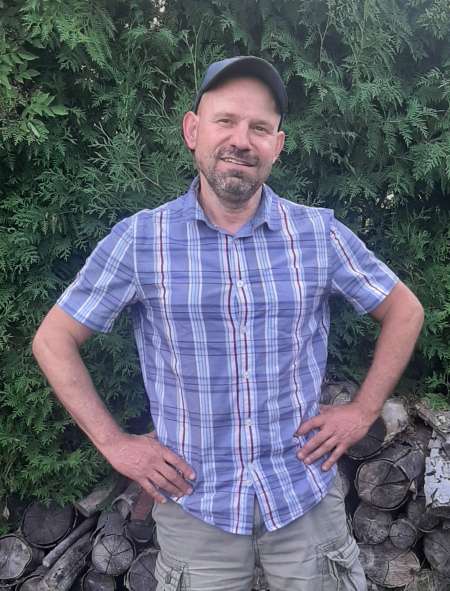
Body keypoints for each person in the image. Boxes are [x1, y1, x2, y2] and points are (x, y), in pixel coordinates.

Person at [32, 56, 424, 590]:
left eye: (260, 128)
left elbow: (404, 309)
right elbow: (54, 339)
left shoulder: (318, 234)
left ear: (277, 146)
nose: (242, 140)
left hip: (303, 497)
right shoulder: (141, 241)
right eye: (226, 121)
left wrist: (362, 410)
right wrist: (114, 443)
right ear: (193, 131)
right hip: (197, 507)